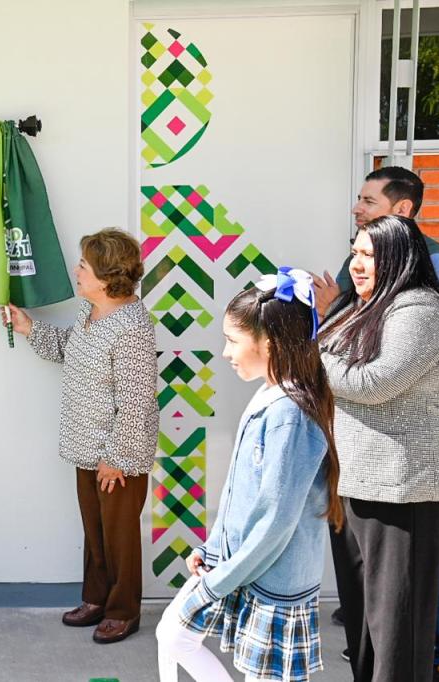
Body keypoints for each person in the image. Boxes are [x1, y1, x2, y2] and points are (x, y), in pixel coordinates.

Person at [155, 268, 343, 682]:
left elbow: (275, 519)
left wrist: (217, 581)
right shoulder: (272, 396)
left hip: (272, 578)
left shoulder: (289, 415)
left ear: (269, 344)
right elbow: (243, 492)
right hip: (243, 567)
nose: (225, 352)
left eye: (232, 341)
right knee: (172, 634)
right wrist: (214, 548)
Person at [5, 228, 158, 645]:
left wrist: (117, 456)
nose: (77, 270)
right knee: (95, 532)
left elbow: (137, 401)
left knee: (119, 537)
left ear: (108, 276)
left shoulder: (132, 327)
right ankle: (95, 600)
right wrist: (29, 327)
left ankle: (123, 611)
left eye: (84, 266)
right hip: (84, 447)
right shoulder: (88, 313)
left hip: (117, 457)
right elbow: (69, 348)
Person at [318, 215, 439, 682]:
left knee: (398, 629)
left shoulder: (421, 309)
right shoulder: (364, 306)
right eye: (356, 251)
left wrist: (308, 355)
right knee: (364, 624)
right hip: (353, 481)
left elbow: (375, 383)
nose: (357, 263)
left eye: (370, 254)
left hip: (402, 489)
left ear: (399, 257)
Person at [314, 165, 439, 320]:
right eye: (359, 200)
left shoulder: (435, 262)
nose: (356, 209)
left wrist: (334, 309)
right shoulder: (355, 261)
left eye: (369, 201)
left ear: (402, 209)